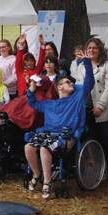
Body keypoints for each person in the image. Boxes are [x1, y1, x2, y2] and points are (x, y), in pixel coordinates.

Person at [25, 51, 94, 199]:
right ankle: (37, 174)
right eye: (67, 82)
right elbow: (32, 102)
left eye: (71, 82)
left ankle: (48, 181)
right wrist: (32, 88)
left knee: (44, 148)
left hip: (66, 135)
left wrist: (87, 63)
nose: (71, 83)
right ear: (59, 88)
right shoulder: (50, 104)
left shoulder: (77, 99)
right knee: (28, 147)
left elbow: (88, 84)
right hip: (48, 132)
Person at [72, 37, 108, 184]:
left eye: (95, 48)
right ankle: (98, 168)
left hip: (102, 108)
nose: (91, 50)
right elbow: (79, 85)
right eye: (89, 48)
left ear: (100, 50)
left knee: (105, 141)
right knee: (90, 140)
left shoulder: (107, 66)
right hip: (86, 108)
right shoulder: (82, 66)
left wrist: (100, 106)